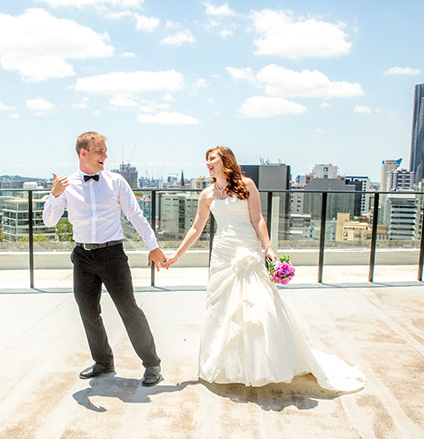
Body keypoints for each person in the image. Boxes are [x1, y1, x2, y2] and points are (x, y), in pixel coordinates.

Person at [163, 146, 365, 392]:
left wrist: (268, 248)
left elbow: (257, 218)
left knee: (257, 306)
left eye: (212, 158)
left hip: (247, 248)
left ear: (225, 160)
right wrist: (177, 254)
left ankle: (262, 365)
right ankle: (226, 367)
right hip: (222, 254)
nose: (208, 163)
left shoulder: (246, 184)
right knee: (221, 308)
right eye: (206, 160)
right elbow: (196, 228)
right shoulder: (207, 194)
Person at [43, 131, 166, 386]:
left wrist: (153, 247)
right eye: (99, 151)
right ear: (83, 153)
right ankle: (103, 362)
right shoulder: (66, 186)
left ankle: (152, 363)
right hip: (82, 256)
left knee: (129, 309)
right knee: (88, 311)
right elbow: (49, 221)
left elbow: (135, 215)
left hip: (112, 255)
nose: (105, 156)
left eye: (105, 151)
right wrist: (54, 195)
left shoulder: (116, 181)